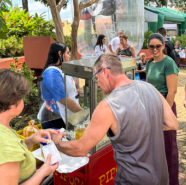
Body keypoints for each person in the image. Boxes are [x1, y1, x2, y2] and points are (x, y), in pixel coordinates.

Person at [53, 54, 179, 185]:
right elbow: (172, 123)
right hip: (161, 178)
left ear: (104, 71)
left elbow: (80, 149)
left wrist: (57, 143)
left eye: (97, 78)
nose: (98, 85)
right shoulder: (151, 88)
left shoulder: (107, 106)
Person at [0, 69, 59, 184]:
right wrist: (42, 172)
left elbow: (9, 154)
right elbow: (5, 152)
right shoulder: (3, 146)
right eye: (22, 98)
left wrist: (31, 140)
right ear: (13, 102)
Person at [145, 33, 179, 185]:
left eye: (158, 46)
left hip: (165, 105)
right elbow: (147, 86)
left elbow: (172, 91)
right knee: (153, 147)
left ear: (163, 46)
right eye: (151, 46)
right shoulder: (149, 63)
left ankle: (171, 181)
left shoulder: (169, 63)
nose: (155, 49)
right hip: (150, 106)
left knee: (168, 147)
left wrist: (166, 114)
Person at [38, 42, 83, 123]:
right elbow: (64, 100)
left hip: (68, 115)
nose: (69, 55)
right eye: (67, 53)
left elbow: (68, 91)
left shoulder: (61, 70)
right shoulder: (52, 73)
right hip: (55, 118)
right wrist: (83, 114)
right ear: (60, 53)